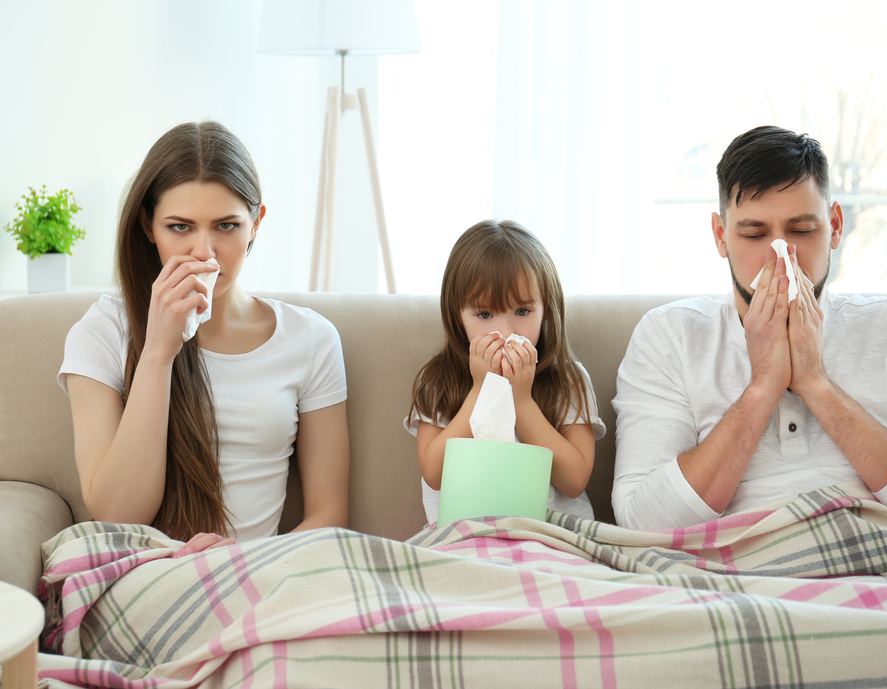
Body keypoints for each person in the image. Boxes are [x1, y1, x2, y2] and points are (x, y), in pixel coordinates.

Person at [612, 125, 887, 540]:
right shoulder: (669, 335)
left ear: (835, 226)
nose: (781, 254)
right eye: (754, 233)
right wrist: (762, 388)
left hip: (879, 557)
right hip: (729, 568)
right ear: (721, 236)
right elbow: (642, 524)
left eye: (802, 230)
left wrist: (815, 382)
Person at [59, 121, 350, 556]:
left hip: (260, 579)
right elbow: (118, 514)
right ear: (147, 225)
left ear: (256, 223)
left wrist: (241, 564)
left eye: (226, 226)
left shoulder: (311, 339)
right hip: (147, 572)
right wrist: (158, 351)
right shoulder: (102, 332)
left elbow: (329, 515)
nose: (204, 252)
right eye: (180, 227)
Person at [406, 219, 605, 525]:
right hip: (465, 537)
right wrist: (480, 391)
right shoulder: (437, 380)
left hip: (553, 537)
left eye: (522, 312)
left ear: (546, 310)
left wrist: (522, 401)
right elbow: (434, 474)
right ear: (457, 315)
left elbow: (575, 480)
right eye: (484, 314)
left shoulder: (568, 379)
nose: (505, 331)